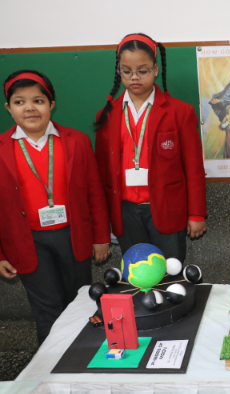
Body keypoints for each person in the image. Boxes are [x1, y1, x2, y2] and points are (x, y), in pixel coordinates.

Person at [0, 70, 111, 344]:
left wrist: (101, 238)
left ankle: (84, 353)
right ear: (8, 108)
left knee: (81, 301)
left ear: (51, 104)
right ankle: (50, 360)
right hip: (28, 241)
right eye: (19, 102)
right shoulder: (2, 148)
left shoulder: (76, 141)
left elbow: (95, 193)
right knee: (47, 308)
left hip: (73, 236)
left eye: (38, 101)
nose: (29, 108)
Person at [94, 33, 207, 263]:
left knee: (170, 273)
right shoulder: (108, 114)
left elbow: (194, 168)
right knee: (136, 273)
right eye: (126, 71)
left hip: (166, 209)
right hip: (125, 212)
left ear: (155, 69)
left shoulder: (180, 112)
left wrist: (196, 213)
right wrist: (103, 225)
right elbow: (102, 175)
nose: (134, 77)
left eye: (142, 70)